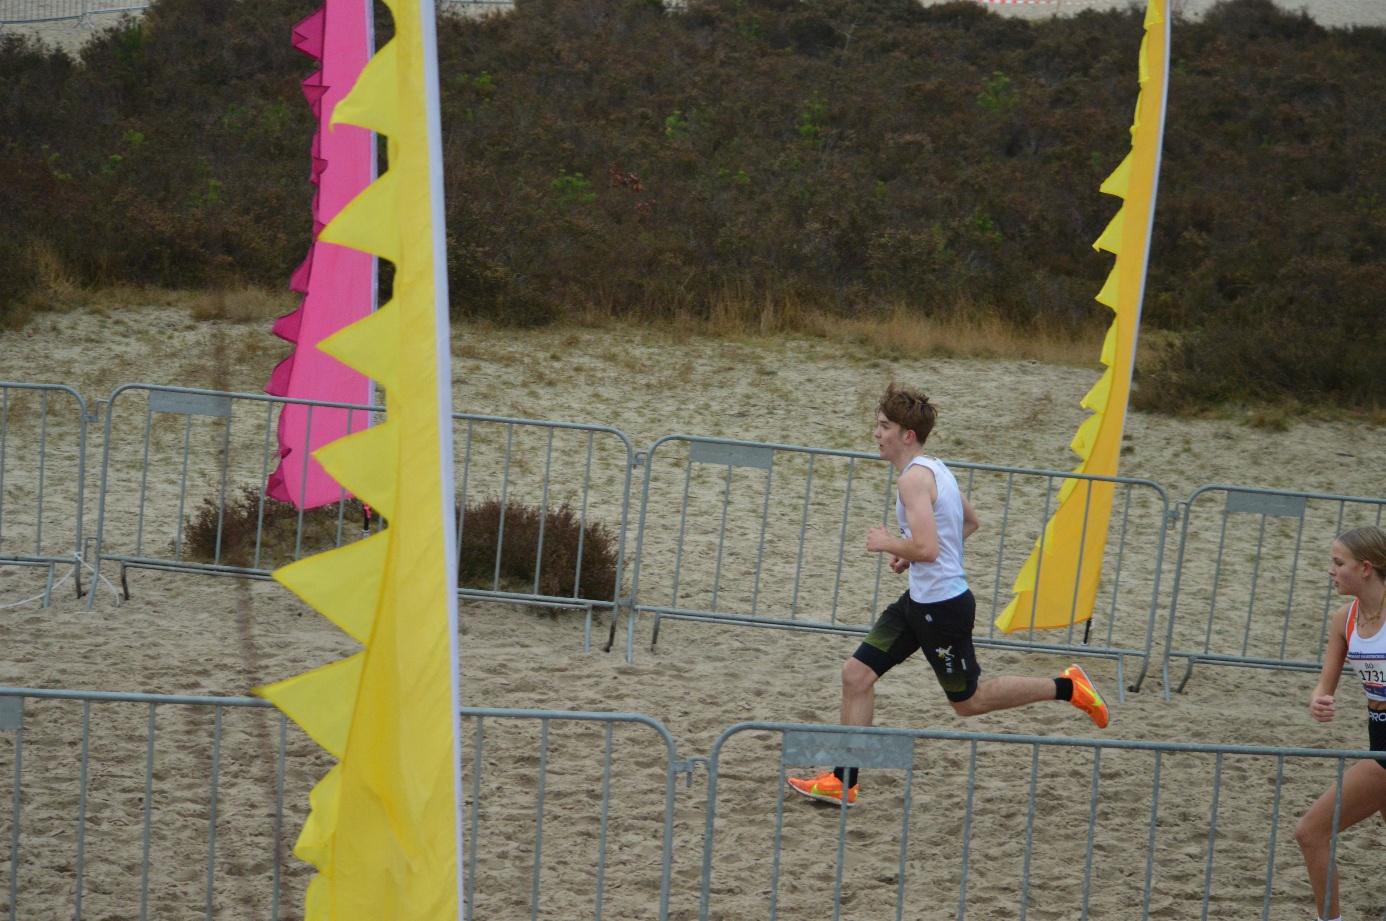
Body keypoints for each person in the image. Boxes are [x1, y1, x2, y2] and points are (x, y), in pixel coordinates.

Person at [786, 383, 1109, 808]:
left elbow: (929, 547)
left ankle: (1067, 687)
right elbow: (969, 522)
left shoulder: (912, 480)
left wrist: (890, 544)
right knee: (856, 675)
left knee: (968, 702)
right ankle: (842, 781)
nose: (876, 434)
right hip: (917, 604)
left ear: (907, 435)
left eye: (884, 426)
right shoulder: (935, 468)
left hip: (943, 610)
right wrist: (912, 557)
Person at [1294, 525, 1386, 921]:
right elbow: (1323, 685)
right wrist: (1319, 702)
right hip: (1376, 729)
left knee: (1311, 833)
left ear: (1365, 568)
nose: (1330, 571)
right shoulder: (1344, 618)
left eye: (1338, 563)